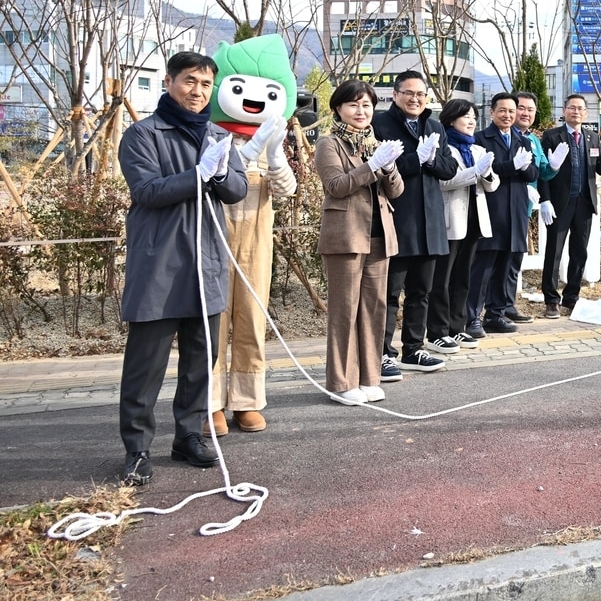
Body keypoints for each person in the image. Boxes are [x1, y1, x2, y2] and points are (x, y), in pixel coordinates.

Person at [117, 52, 249, 486]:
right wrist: (198, 174)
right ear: (169, 81)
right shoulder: (143, 134)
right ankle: (137, 449)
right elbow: (148, 190)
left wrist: (217, 174)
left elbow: (237, 188)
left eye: (206, 84)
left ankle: (188, 436)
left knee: (200, 359)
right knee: (145, 365)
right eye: (189, 81)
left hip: (206, 263)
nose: (198, 91)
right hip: (159, 265)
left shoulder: (216, 134)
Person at [207, 34, 298, 435]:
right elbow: (205, 180)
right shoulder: (207, 135)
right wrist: (242, 153)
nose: (253, 100)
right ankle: (207, 403)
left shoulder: (272, 137)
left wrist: (275, 155)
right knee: (210, 321)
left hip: (257, 239)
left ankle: (246, 399)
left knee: (252, 317)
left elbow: (287, 190)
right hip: (211, 235)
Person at [315, 81, 405, 404]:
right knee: (344, 310)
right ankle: (340, 382)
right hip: (346, 237)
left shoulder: (374, 142)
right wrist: (372, 166)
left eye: (366, 105)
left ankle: (369, 378)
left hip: (379, 236)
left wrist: (390, 168)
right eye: (353, 105)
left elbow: (396, 191)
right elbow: (336, 185)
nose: (361, 111)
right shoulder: (330, 144)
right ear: (338, 108)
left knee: (374, 308)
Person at [372, 70, 459, 375]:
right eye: (409, 93)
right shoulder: (380, 123)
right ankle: (382, 353)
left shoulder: (434, 125)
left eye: (421, 94)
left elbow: (449, 168)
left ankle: (414, 349)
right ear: (395, 95)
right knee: (389, 293)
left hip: (430, 221)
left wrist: (432, 159)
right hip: (398, 219)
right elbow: (381, 168)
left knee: (421, 291)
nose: (415, 99)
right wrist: (415, 160)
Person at [539, 94, 601, 318]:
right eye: (572, 108)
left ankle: (571, 297)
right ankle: (550, 299)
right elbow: (543, 172)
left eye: (580, 108)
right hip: (560, 203)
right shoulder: (551, 136)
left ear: (586, 113)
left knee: (579, 252)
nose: (576, 112)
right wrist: (544, 199)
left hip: (585, 203)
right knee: (554, 252)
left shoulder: (592, 137)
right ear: (564, 111)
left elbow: (600, 169)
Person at [427, 100, 498, 350]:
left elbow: (492, 184)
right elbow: (445, 182)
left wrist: (487, 174)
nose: (471, 121)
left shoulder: (477, 149)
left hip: (475, 220)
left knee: (463, 278)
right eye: (465, 116)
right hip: (451, 221)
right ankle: (438, 330)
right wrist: (475, 173)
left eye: (473, 117)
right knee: (442, 279)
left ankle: (458, 328)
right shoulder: (444, 147)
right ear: (450, 120)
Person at [468, 92, 540, 333]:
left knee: (506, 265)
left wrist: (524, 168)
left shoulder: (523, 141)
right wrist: (513, 167)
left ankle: (495, 314)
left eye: (512, 111)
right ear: (492, 112)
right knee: (484, 266)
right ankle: (472, 317)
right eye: (503, 110)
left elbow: (532, 174)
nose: (508, 115)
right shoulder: (480, 139)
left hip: (516, 210)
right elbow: (488, 170)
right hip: (492, 209)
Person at [495, 90, 559, 323]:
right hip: (501, 206)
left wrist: (553, 166)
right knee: (496, 259)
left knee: (514, 259)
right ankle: (492, 308)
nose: (525, 113)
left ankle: (508, 305)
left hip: (522, 207)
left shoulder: (532, 140)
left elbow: (543, 172)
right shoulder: (502, 136)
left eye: (530, 110)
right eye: (520, 108)